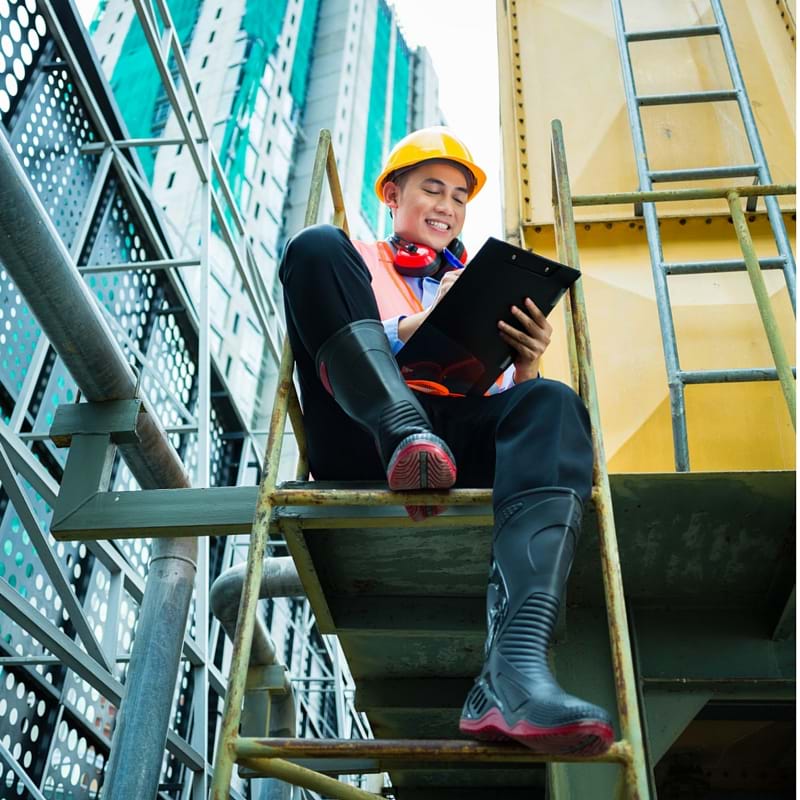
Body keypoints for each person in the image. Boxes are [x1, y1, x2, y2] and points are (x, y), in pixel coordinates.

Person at [278, 127, 613, 755]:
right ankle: (403, 434)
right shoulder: (356, 259)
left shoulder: (479, 280)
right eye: (432, 189)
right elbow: (325, 325)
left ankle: (514, 672)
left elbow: (505, 403)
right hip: (363, 430)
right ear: (391, 193)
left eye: (460, 197)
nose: (447, 207)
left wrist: (528, 362)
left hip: (451, 441)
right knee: (313, 245)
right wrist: (417, 325)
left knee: (553, 402)